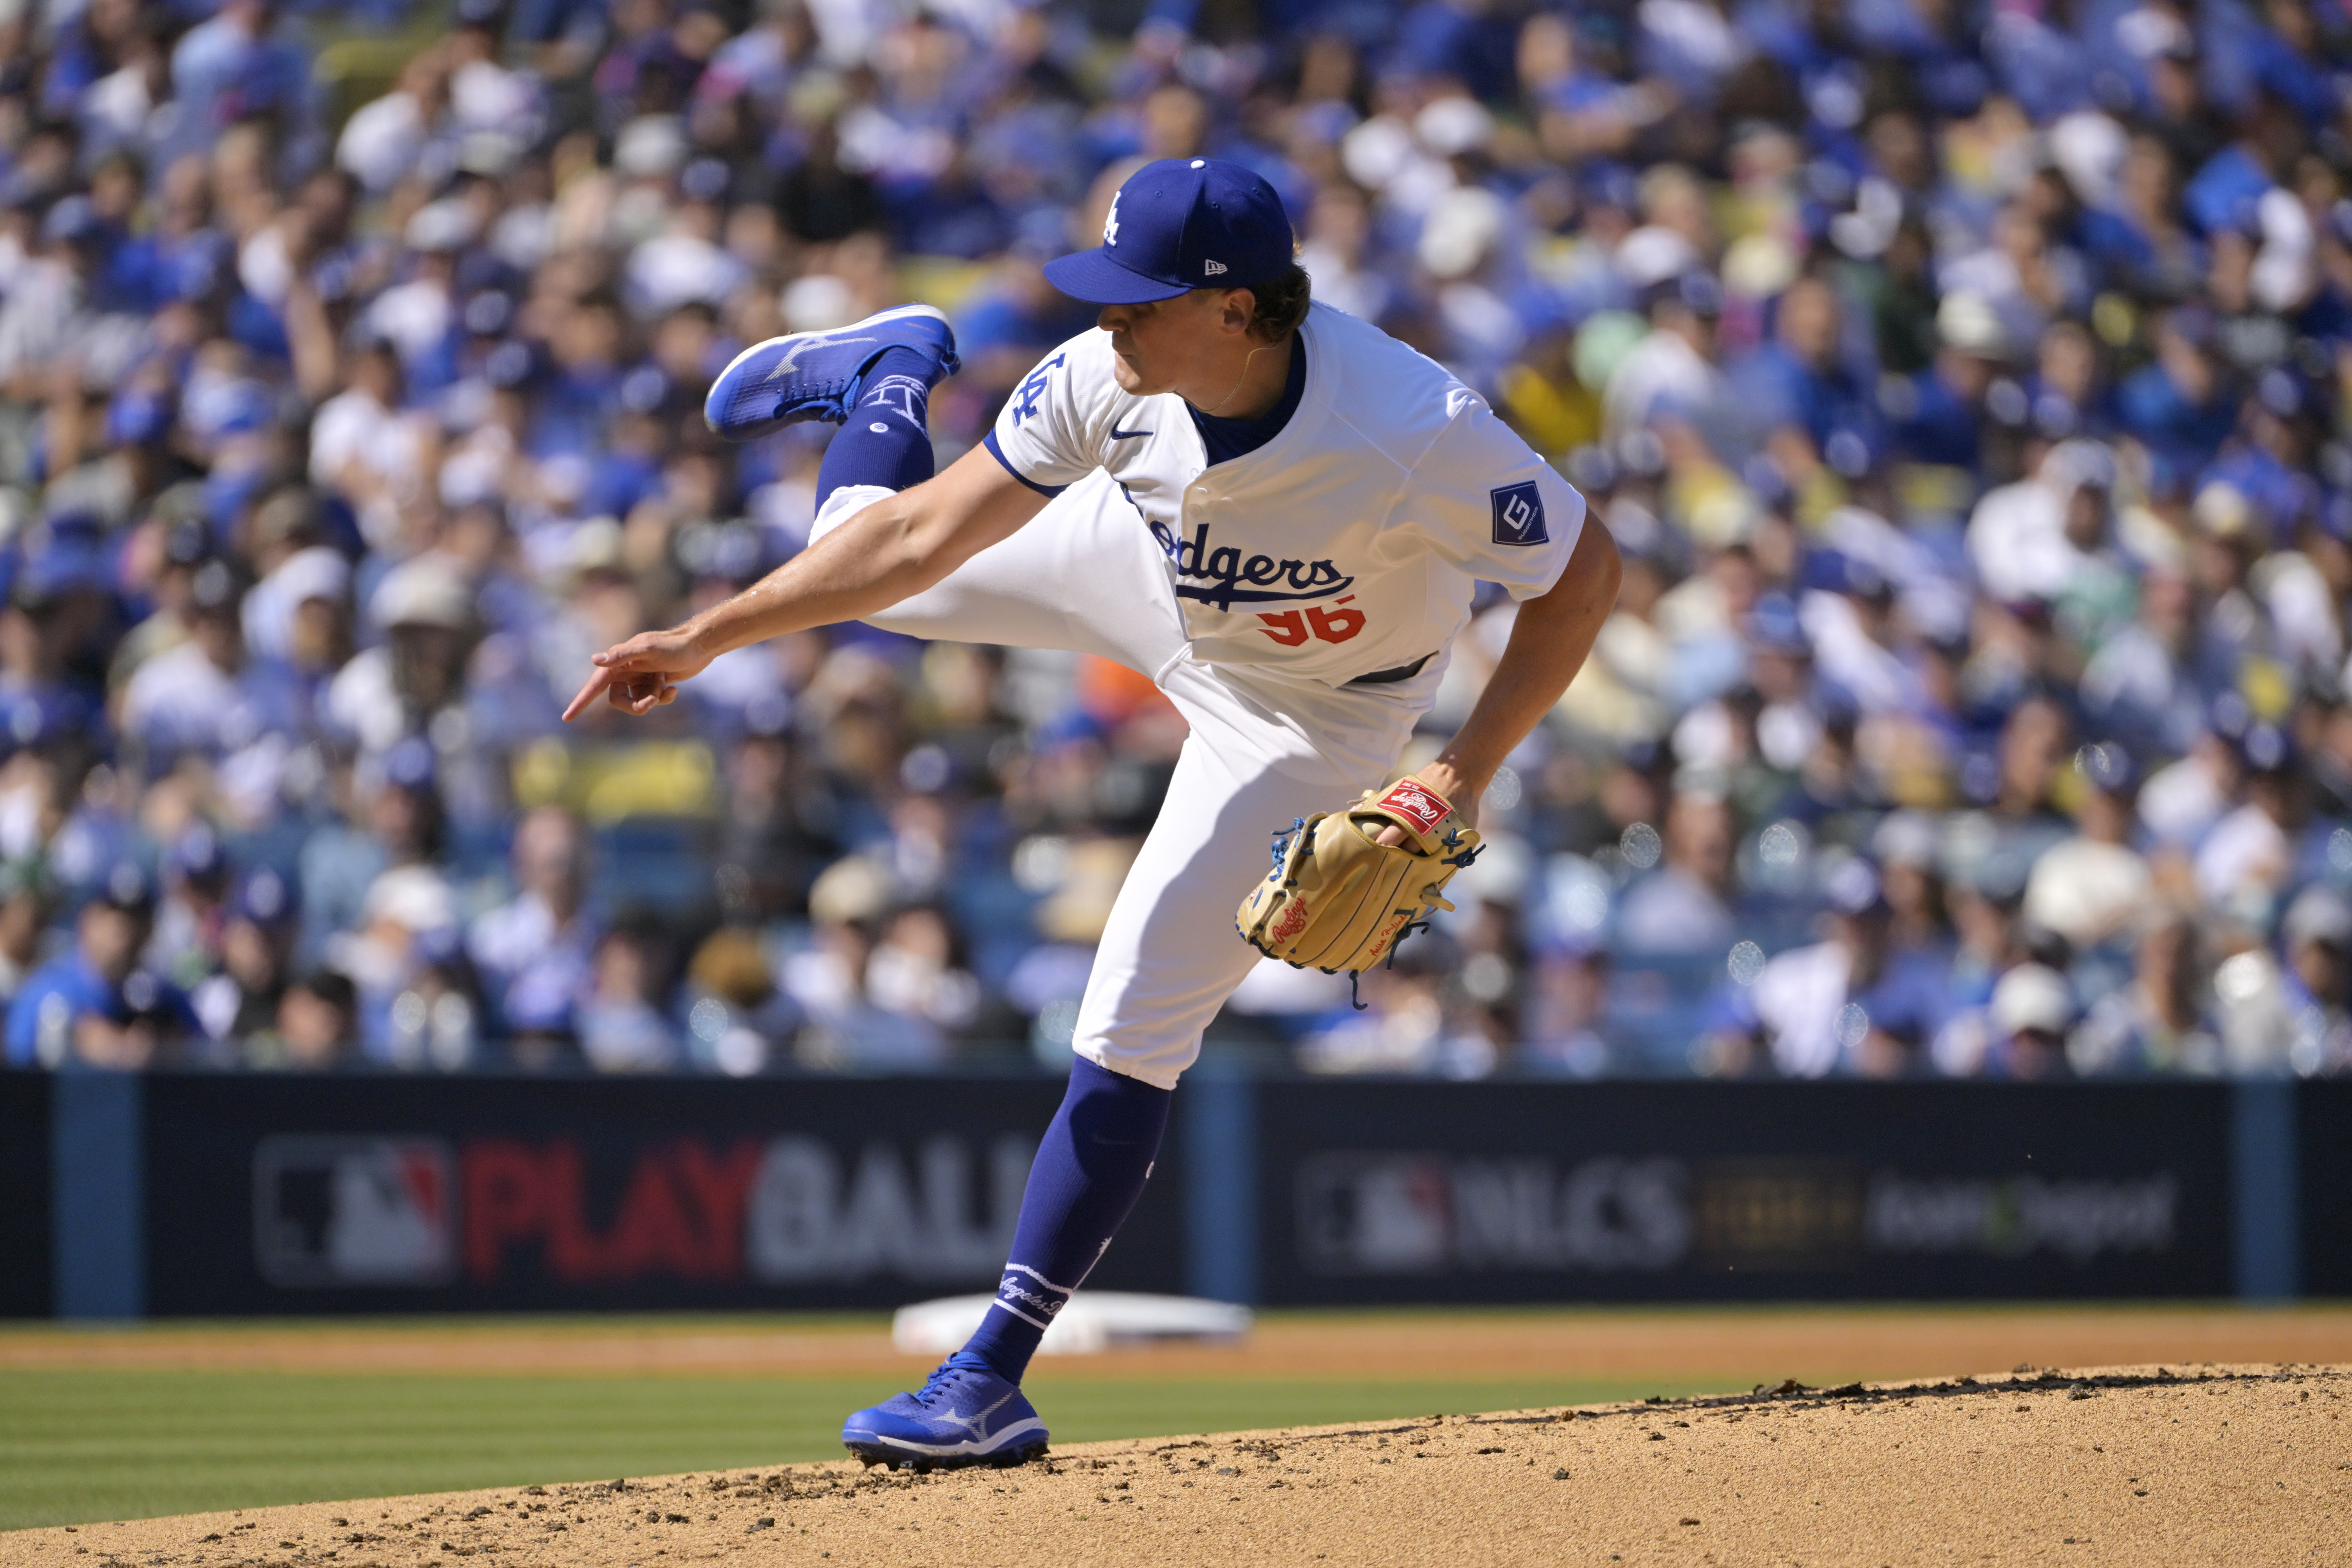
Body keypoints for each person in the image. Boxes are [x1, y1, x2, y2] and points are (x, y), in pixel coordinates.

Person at [564, 158, 1619, 1469]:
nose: (1108, 320)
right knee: (866, 559)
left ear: (1237, 310)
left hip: (1314, 712)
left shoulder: (1413, 427)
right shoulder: (1101, 381)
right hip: (1143, 573)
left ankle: (989, 1377)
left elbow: (1581, 579)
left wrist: (1460, 773)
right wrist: (710, 635)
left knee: (1132, 1011)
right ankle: (893, 371)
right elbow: (912, 542)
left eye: (1139, 302)